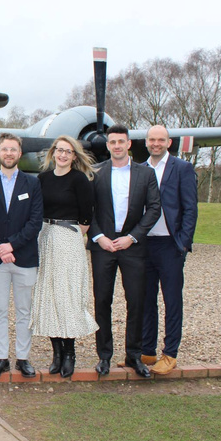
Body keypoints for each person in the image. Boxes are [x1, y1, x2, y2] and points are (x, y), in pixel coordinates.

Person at [89, 124, 161, 378]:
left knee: (137, 302)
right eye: (112, 142)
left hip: (133, 247)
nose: (117, 146)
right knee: (102, 301)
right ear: (107, 145)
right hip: (104, 247)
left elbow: (154, 208)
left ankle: (134, 355)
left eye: (121, 141)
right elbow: (89, 210)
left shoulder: (146, 174)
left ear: (129, 144)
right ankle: (104, 356)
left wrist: (132, 237)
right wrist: (98, 237)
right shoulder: (95, 172)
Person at [30, 135, 99, 378]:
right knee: (48, 295)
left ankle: (69, 353)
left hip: (67, 238)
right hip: (45, 237)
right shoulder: (43, 179)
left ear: (74, 156)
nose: (62, 155)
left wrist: (70, 236)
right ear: (53, 152)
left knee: (66, 295)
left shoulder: (79, 179)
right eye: (59, 150)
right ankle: (56, 353)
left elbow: (86, 215)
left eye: (68, 152)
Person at [0, 134, 43, 379]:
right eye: (4, 149)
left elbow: (35, 221)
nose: (8, 153)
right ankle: (1, 357)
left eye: (13, 150)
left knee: (24, 310)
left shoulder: (33, 184)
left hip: (24, 258)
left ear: (19, 153)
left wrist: (12, 246)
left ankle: (23, 358)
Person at [141, 125, 198, 375]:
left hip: (170, 244)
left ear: (168, 142)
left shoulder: (182, 168)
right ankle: (147, 351)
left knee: (172, 300)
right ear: (145, 142)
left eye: (160, 139)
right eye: (152, 139)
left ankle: (170, 353)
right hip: (144, 244)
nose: (156, 143)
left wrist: (183, 243)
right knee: (145, 300)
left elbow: (190, 208)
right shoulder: (140, 170)